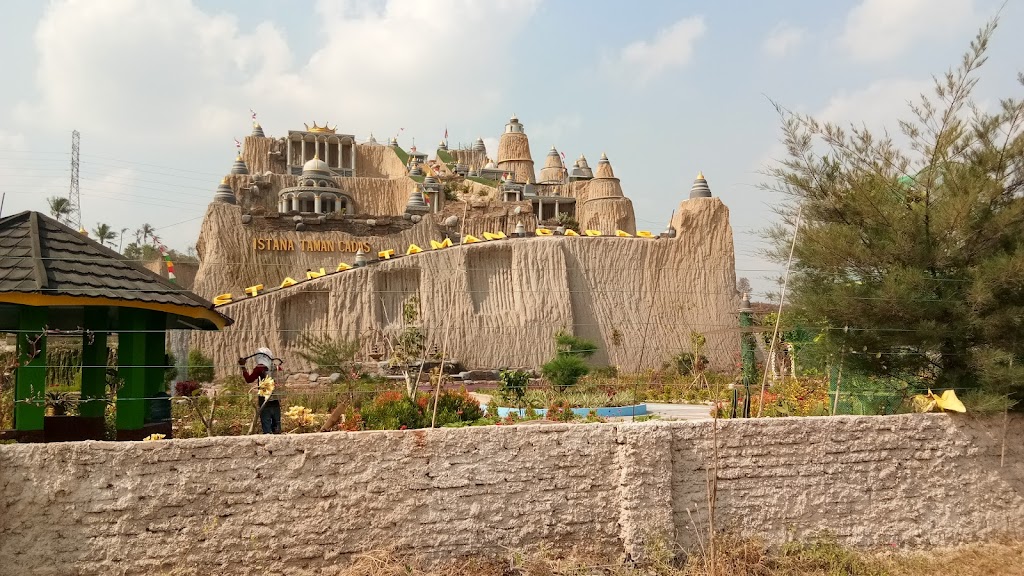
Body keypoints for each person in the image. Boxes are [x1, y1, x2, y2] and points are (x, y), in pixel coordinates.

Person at [240, 347, 280, 434]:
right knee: (277, 426)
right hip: (276, 400)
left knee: (266, 426)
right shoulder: (276, 367)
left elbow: (249, 379)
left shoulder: (260, 368)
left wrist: (243, 366)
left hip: (264, 401)